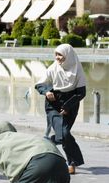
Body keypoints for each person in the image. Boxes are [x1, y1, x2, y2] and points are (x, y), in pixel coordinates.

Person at [35, 44, 86, 175]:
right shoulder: (53, 68)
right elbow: (40, 84)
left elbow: (81, 93)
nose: (57, 57)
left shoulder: (78, 70)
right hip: (53, 104)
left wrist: (67, 106)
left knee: (63, 134)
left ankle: (48, 142)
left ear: (68, 56)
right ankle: (71, 162)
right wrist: (46, 92)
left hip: (71, 104)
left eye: (60, 55)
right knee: (64, 133)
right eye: (56, 54)